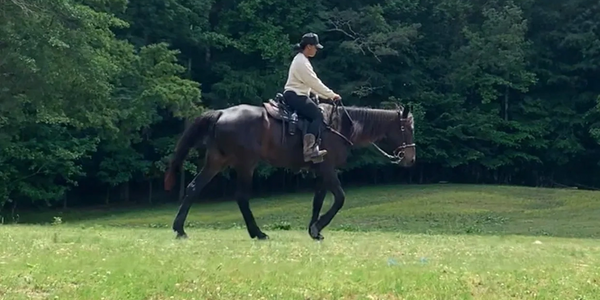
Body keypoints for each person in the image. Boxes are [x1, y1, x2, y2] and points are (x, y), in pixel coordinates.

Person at [283, 32, 341, 163]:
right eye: (315, 47)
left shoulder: (301, 60)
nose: (316, 50)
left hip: (295, 94)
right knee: (318, 116)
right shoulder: (302, 62)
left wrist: (327, 96)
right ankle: (309, 150)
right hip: (296, 95)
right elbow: (314, 82)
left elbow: (311, 86)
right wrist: (332, 94)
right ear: (308, 46)